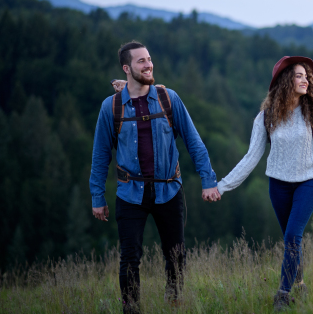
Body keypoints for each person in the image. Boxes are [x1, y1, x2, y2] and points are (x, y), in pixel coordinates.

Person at [89, 41, 221, 313]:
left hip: (169, 190)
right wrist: (97, 196)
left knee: (176, 256)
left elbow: (194, 142)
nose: (148, 64)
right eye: (141, 61)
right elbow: (101, 155)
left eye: (149, 59)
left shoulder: (168, 98)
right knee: (129, 258)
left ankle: (174, 304)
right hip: (130, 193)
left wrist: (208, 180)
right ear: (126, 68)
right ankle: (131, 309)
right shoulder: (111, 108)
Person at [216, 55, 313, 310]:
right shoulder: (266, 117)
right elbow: (251, 157)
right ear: (284, 81)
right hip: (278, 185)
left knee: (293, 236)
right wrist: (222, 186)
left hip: (309, 183)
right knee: (291, 238)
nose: (305, 80)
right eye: (299, 75)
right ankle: (300, 283)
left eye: (307, 76)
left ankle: (282, 295)